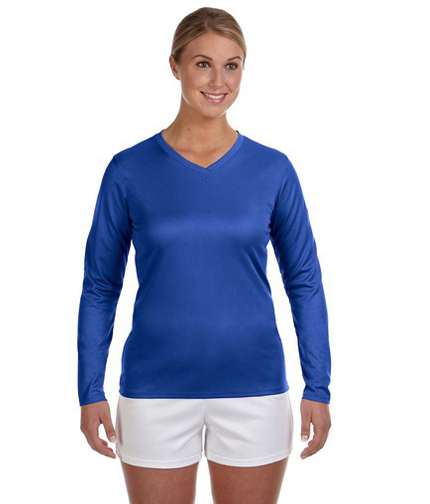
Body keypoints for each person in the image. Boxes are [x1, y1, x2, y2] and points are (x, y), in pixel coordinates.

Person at [78, 7, 332, 504]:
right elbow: (100, 287)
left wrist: (317, 386)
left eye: (231, 66)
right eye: (203, 64)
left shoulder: (273, 170)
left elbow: (304, 282)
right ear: (174, 65)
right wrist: (90, 389)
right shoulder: (129, 170)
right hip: (153, 392)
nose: (219, 81)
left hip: (255, 390)